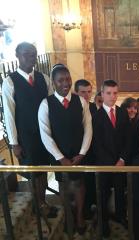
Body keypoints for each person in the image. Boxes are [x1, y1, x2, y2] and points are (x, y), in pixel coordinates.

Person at [2, 42, 55, 216]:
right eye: (26, 54)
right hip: (25, 136)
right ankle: (38, 205)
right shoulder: (10, 82)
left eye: (33, 54)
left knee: (43, 170)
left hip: (44, 135)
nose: (31, 57)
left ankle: (42, 203)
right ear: (17, 55)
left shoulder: (44, 78)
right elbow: (9, 115)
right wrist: (14, 143)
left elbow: (51, 107)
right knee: (33, 172)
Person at [38, 64, 92, 234]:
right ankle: (68, 215)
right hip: (59, 154)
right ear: (53, 83)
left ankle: (79, 216)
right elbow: (45, 134)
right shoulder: (46, 104)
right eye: (60, 80)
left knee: (79, 184)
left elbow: (88, 128)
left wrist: (82, 153)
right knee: (63, 185)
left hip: (78, 153)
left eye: (68, 79)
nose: (65, 83)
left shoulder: (81, 101)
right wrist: (60, 157)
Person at [92, 80, 130, 237]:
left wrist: (122, 159)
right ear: (102, 94)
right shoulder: (96, 116)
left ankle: (121, 215)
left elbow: (128, 139)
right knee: (103, 192)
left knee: (121, 190)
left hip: (120, 163)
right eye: (108, 93)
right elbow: (97, 143)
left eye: (115, 93)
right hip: (104, 164)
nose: (112, 96)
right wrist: (110, 164)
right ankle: (103, 220)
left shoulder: (122, 113)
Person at [74, 79, 97, 218]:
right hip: (78, 152)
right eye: (83, 92)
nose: (87, 95)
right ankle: (81, 211)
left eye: (89, 92)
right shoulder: (72, 107)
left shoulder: (94, 107)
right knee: (79, 182)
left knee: (91, 180)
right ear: (76, 92)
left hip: (93, 152)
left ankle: (91, 207)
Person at [121, 97, 139, 163]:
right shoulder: (119, 123)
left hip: (134, 160)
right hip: (120, 160)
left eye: (135, 108)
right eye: (129, 108)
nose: (132, 110)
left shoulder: (137, 123)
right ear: (123, 108)